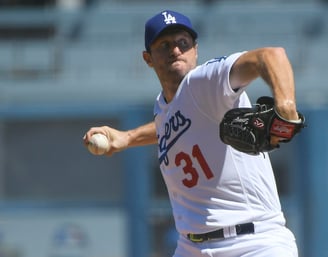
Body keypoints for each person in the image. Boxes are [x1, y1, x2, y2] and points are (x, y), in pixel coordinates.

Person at [84, 10, 300, 257]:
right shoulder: (163, 107)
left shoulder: (203, 81)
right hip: (191, 247)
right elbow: (171, 125)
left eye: (182, 43)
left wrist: (286, 105)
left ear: (195, 50)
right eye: (164, 45)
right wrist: (127, 138)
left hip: (253, 243)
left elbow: (271, 56)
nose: (175, 50)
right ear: (148, 58)